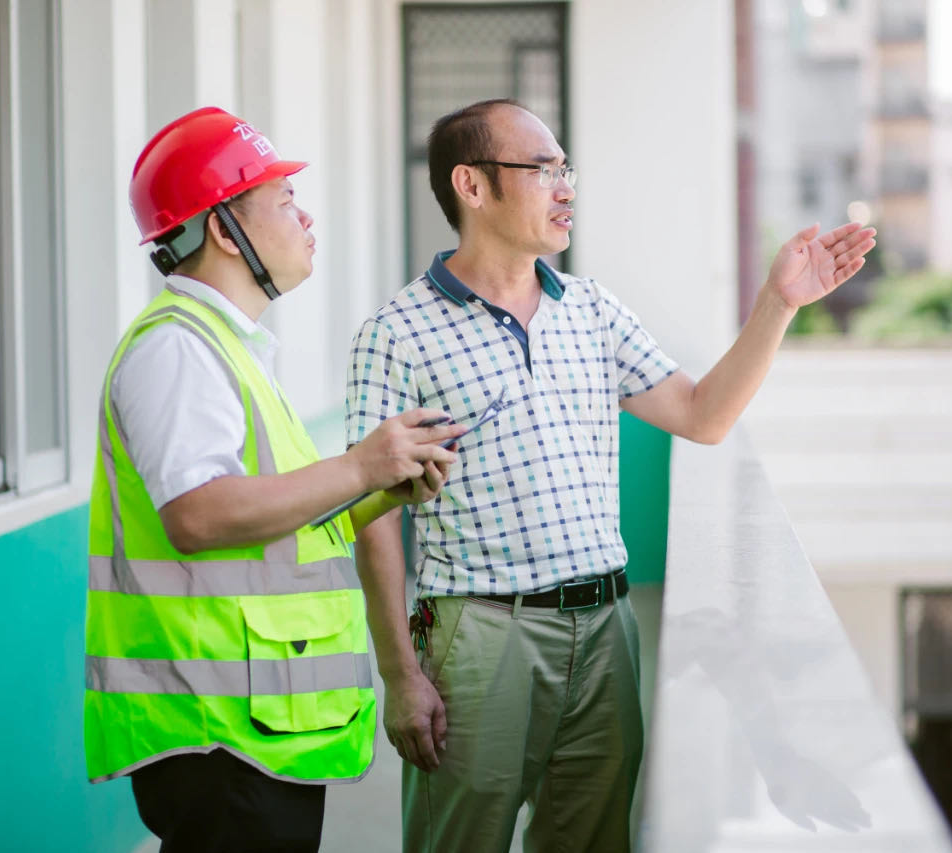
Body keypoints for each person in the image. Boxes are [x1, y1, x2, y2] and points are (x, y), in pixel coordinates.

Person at [344, 98, 876, 852]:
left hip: (604, 630)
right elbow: (372, 515)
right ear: (472, 185)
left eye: (567, 169)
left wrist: (777, 304)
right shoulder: (397, 333)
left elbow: (702, 415)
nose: (565, 188)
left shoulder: (591, 309)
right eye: (542, 170)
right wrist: (400, 674)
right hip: (479, 635)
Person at [83, 106, 466, 853]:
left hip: (254, 724)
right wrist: (358, 465)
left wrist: (380, 491)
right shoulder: (178, 350)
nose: (307, 218)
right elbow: (198, 515)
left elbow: (277, 526)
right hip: (219, 731)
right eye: (286, 201)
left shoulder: (227, 349)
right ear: (225, 231)